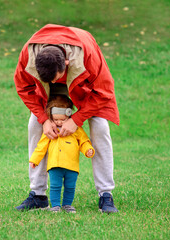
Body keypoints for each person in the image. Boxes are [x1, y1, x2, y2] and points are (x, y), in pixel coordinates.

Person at [14, 24, 119, 213]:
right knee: (34, 125)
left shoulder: (86, 53)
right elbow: (23, 87)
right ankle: (38, 195)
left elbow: (104, 91)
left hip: (85, 88)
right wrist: (44, 119)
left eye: (56, 78)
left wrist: (76, 120)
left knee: (100, 126)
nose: (54, 83)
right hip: (50, 95)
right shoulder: (28, 53)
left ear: (67, 63)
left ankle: (105, 194)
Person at [29, 95, 95, 213]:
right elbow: (41, 146)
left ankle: (67, 205)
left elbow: (84, 141)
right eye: (55, 120)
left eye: (62, 120)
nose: (59, 122)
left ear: (69, 116)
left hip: (72, 165)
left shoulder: (76, 129)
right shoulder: (50, 131)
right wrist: (34, 159)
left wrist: (88, 150)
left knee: (70, 187)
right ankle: (55, 206)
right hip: (55, 165)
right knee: (55, 186)